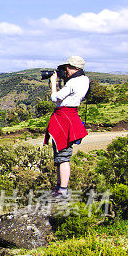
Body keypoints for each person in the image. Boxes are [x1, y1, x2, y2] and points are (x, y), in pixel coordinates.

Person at [44, 55, 89, 200]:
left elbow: (55, 98)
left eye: (67, 68)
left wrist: (53, 83)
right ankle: (59, 188)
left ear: (72, 67)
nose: (66, 71)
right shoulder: (84, 80)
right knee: (61, 155)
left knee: (63, 156)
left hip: (64, 118)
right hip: (71, 117)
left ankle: (62, 189)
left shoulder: (73, 82)